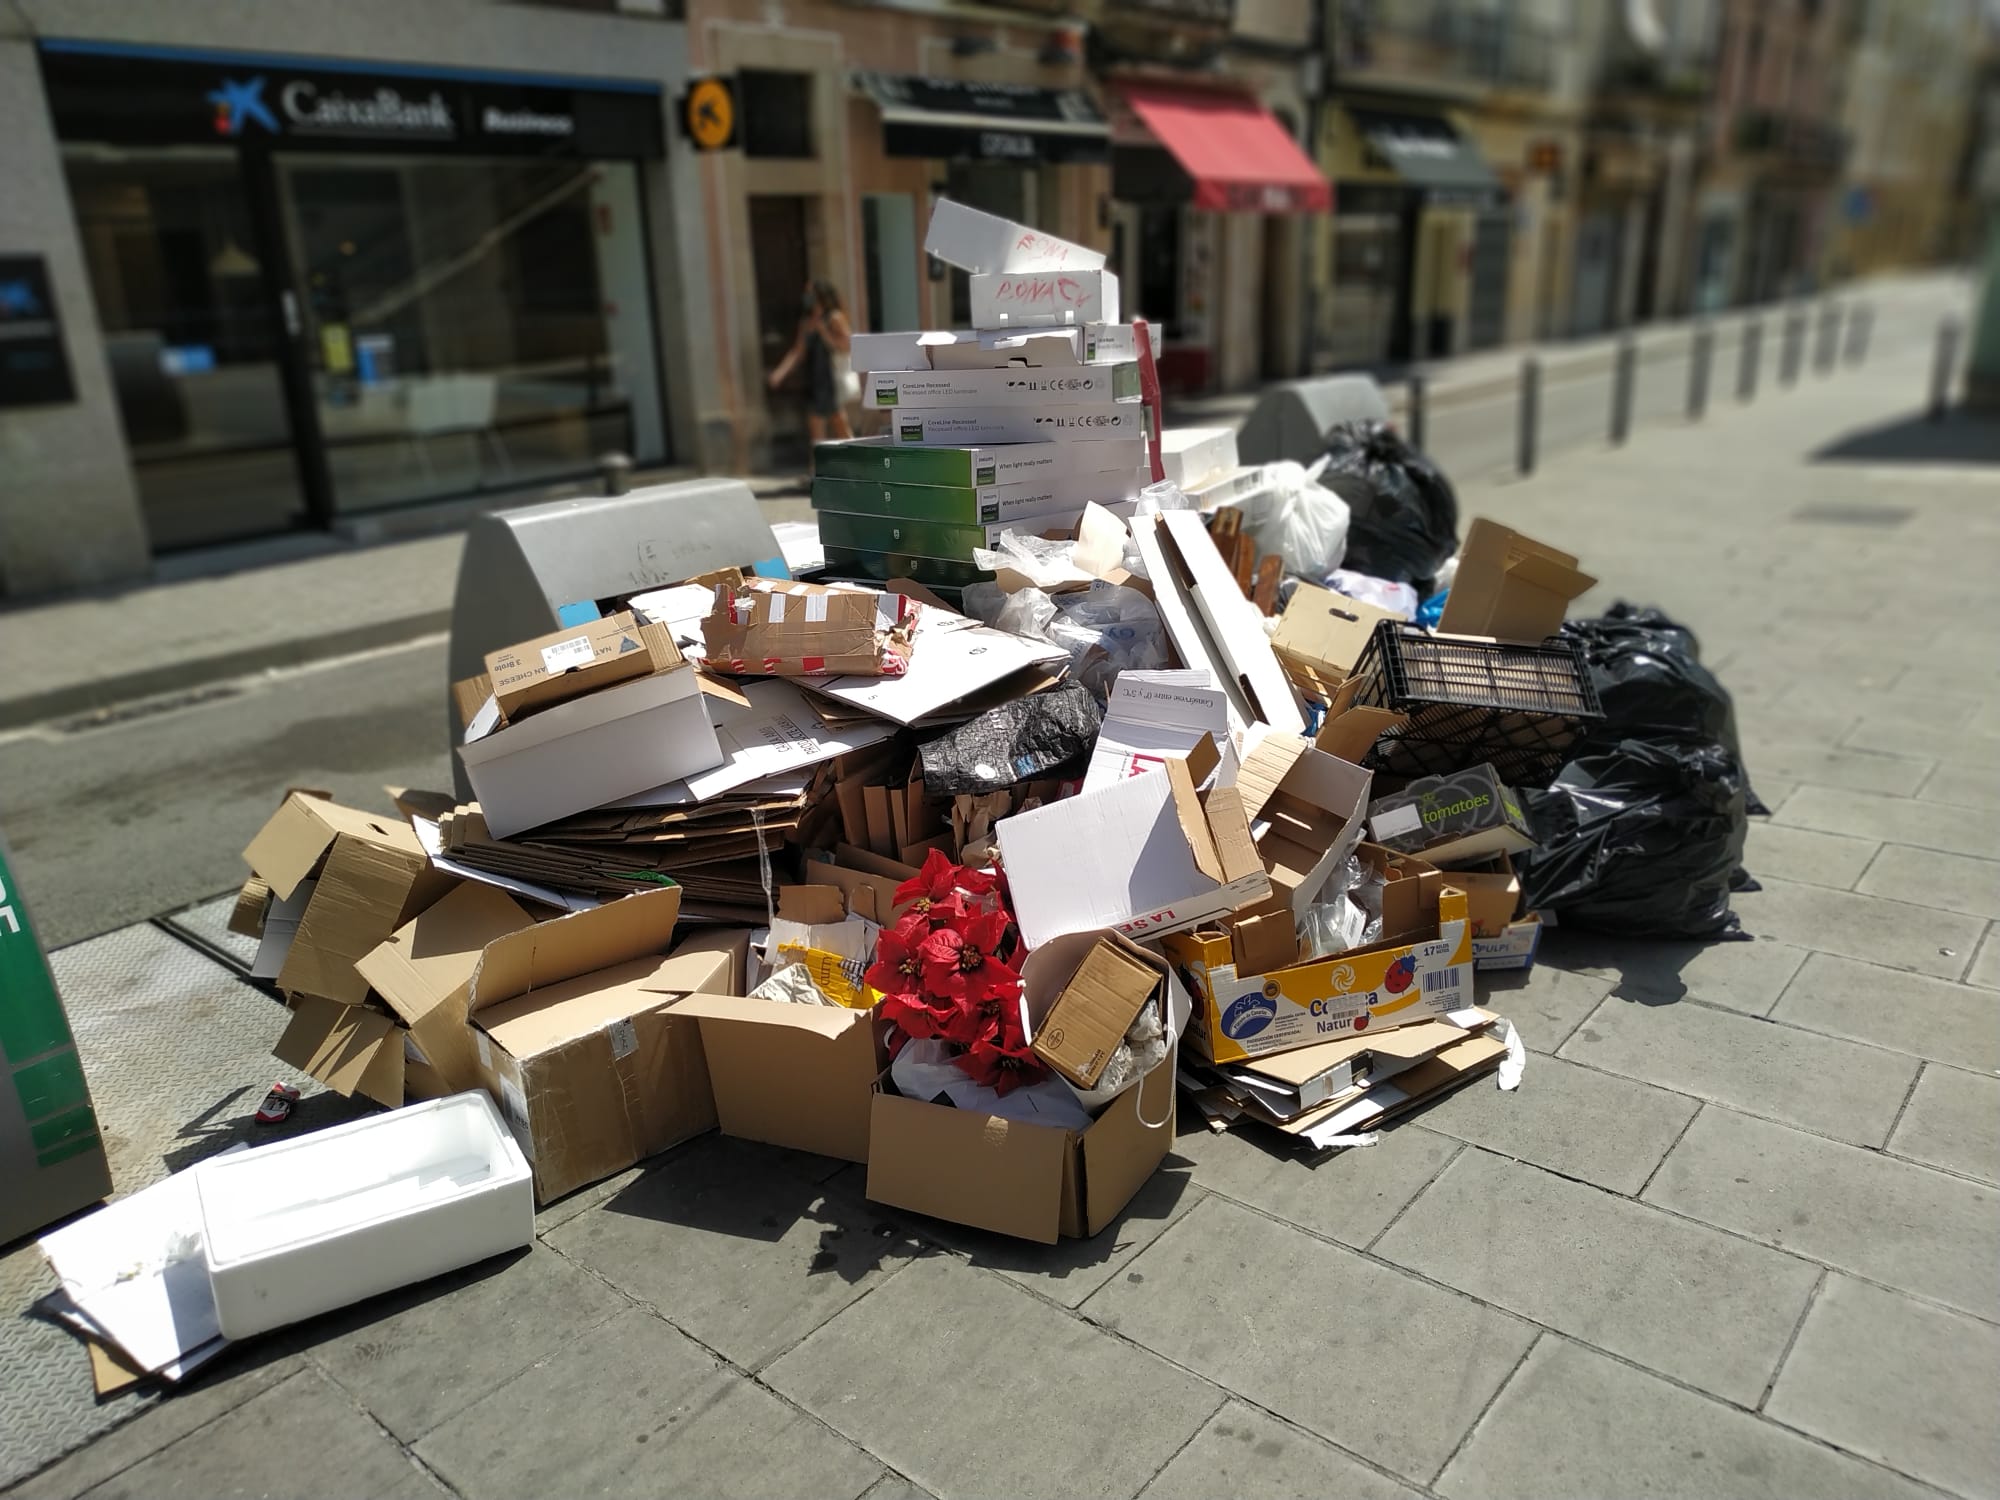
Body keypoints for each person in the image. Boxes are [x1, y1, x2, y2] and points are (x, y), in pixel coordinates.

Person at [768, 278, 854, 442]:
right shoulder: (806, 323)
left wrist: (825, 333)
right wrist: (780, 373)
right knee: (817, 440)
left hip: (832, 381)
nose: (807, 297)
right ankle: (817, 467)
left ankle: (860, 464)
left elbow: (847, 345)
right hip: (815, 381)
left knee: (842, 430)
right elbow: (797, 352)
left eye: (811, 293)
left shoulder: (834, 318)